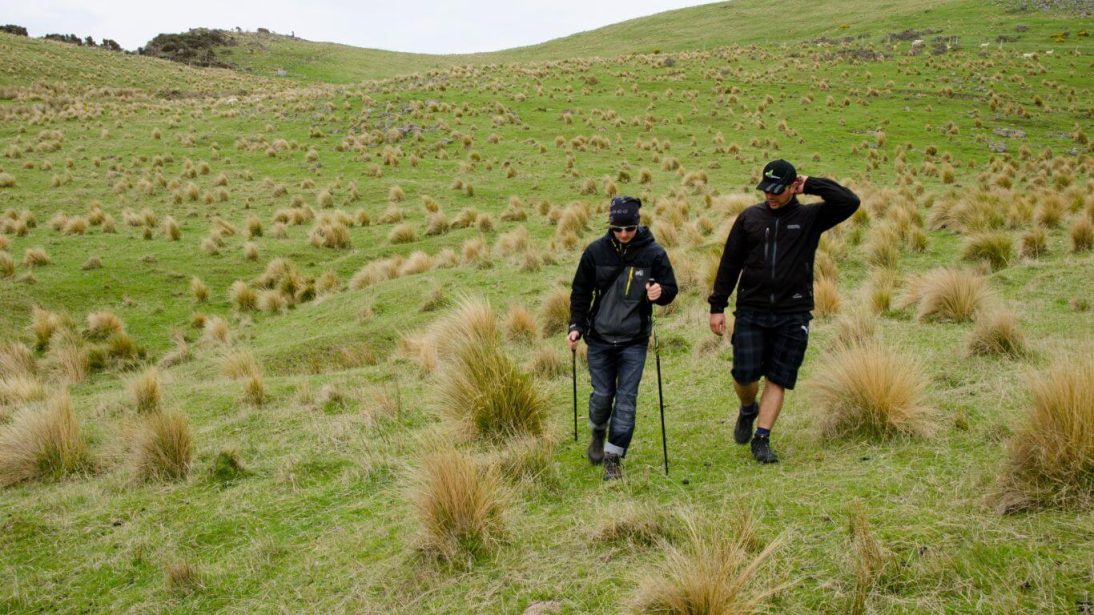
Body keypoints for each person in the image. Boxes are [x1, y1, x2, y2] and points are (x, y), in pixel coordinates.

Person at [708, 159, 860, 463]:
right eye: (766, 189)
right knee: (744, 374)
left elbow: (849, 202)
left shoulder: (810, 217)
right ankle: (748, 409)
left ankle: (761, 439)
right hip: (752, 309)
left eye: (778, 190)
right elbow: (730, 263)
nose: (771, 195)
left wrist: (812, 184)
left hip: (793, 312)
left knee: (778, 377)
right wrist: (718, 306)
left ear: (793, 187)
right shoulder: (749, 218)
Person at [568, 195, 678, 480]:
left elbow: (670, 288)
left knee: (627, 401)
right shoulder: (595, 252)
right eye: (618, 228)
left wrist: (660, 293)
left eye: (629, 228)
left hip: (634, 341)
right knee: (603, 396)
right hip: (600, 340)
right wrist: (575, 326)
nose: (624, 234)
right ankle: (597, 431)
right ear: (610, 225)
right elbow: (580, 291)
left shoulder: (653, 253)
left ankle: (613, 457)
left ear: (638, 223)